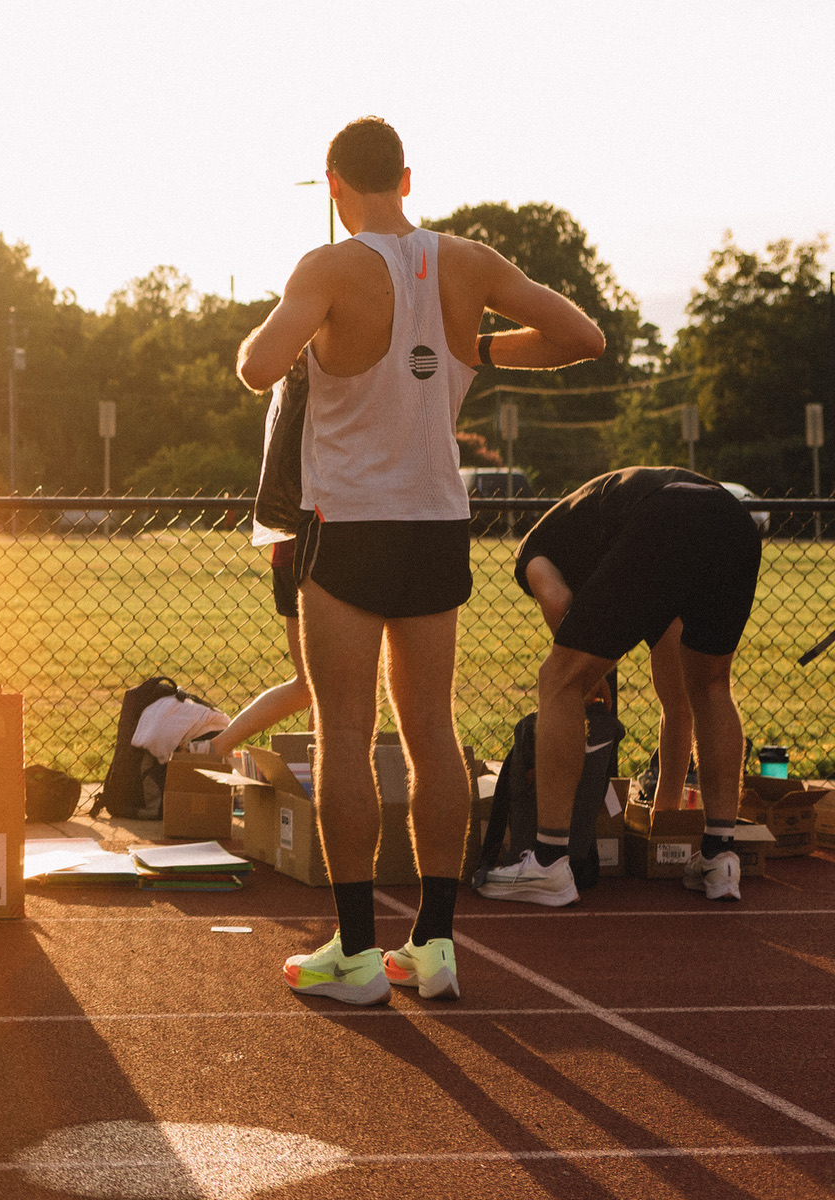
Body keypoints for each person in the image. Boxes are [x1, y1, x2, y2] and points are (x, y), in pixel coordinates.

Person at [237, 116, 602, 1005]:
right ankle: (433, 947)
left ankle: (358, 954)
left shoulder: (329, 267)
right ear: (407, 176)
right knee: (432, 733)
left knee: (346, 736)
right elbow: (580, 335)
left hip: (350, 524)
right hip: (438, 523)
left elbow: (257, 366)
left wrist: (311, 323)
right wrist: (474, 348)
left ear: (334, 184)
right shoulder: (467, 260)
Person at [482, 467, 762, 904]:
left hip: (666, 517)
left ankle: (549, 862)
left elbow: (558, 601)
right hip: (731, 521)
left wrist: (585, 678)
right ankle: (720, 856)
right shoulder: (607, 518)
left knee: (556, 681)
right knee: (710, 688)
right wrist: (664, 815)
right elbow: (676, 700)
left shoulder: (534, 548)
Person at [218, 358, 313, 754]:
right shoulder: (308, 388)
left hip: (294, 548)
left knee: (320, 687)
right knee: (317, 685)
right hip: (307, 546)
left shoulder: (295, 384)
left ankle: (314, 779)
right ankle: (217, 747)